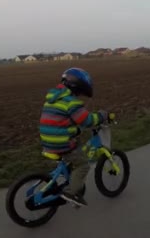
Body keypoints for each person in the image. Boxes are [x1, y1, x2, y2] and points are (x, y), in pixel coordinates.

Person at [39, 67, 108, 207]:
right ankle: (70, 192)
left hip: (47, 140)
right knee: (83, 164)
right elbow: (87, 120)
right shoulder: (72, 102)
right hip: (61, 144)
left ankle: (71, 181)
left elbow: (63, 121)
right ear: (78, 87)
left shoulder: (53, 98)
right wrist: (102, 116)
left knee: (76, 137)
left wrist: (76, 129)